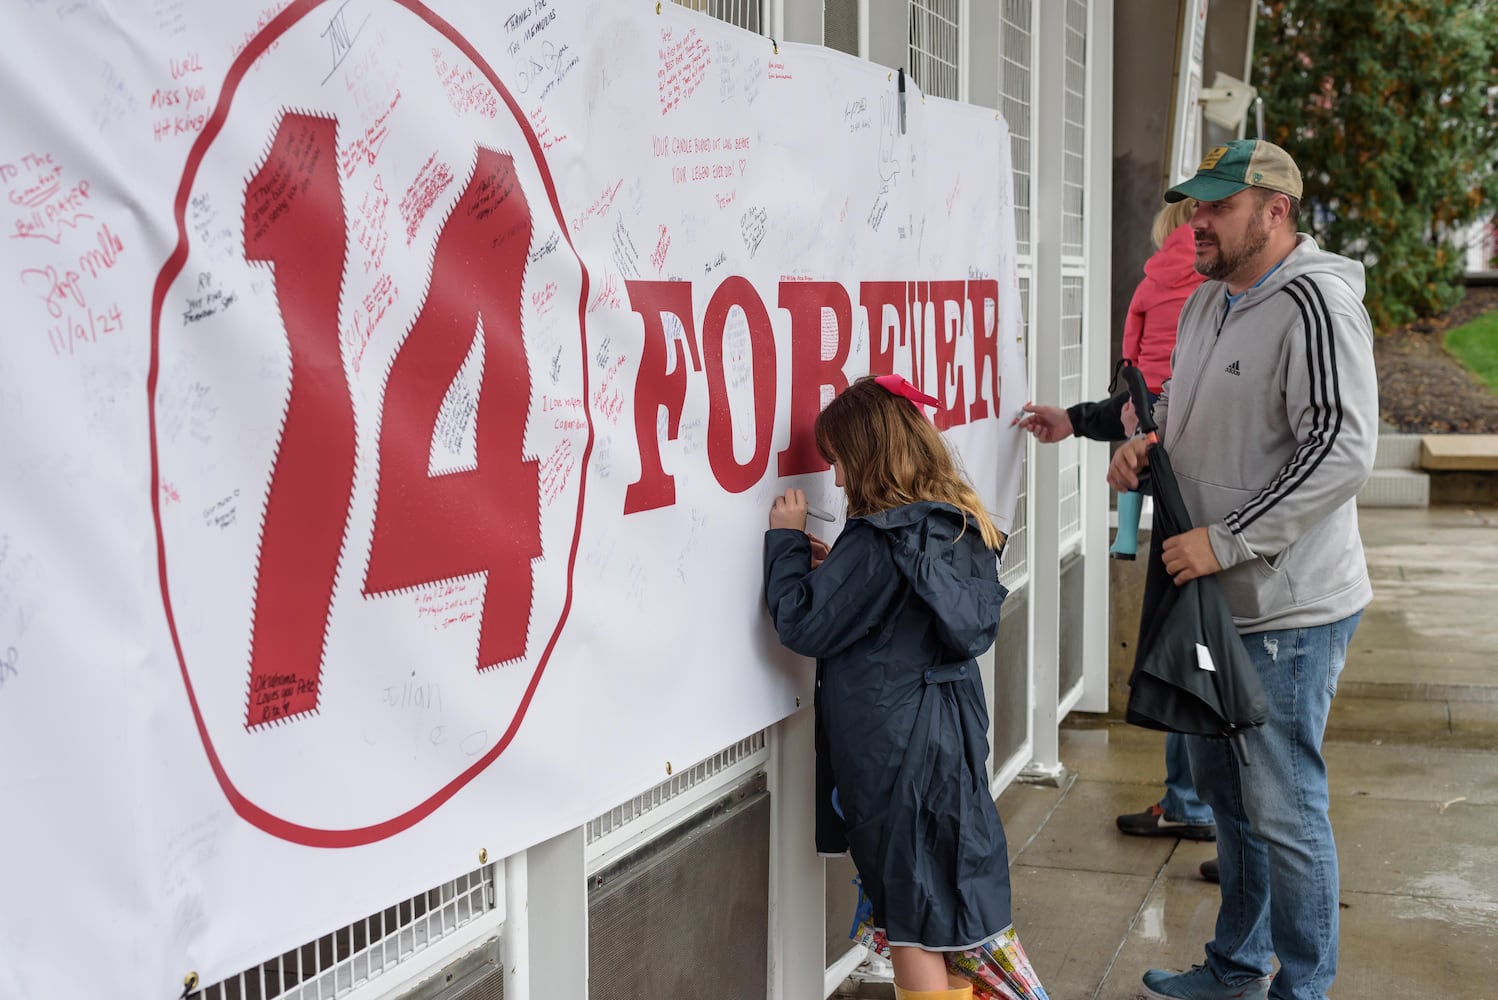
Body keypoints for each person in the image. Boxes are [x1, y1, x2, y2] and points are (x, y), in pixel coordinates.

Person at [1107, 140, 1377, 1000]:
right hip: (1215, 609)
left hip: (1287, 610)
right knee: (1231, 805)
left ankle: (1302, 989)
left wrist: (1224, 539)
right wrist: (1146, 453)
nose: (1198, 219)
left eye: (1220, 204)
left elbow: (1340, 450)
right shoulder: (1206, 303)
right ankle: (1234, 970)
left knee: (1285, 812)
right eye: (1195, 203)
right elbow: (1199, 423)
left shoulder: (1316, 306)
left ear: (1276, 210)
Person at [763, 374, 1046, 1000]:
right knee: (939, 903)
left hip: (892, 747)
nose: (834, 481)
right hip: (949, 738)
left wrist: (784, 543)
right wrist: (836, 566)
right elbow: (909, 607)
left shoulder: (880, 538)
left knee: (911, 921)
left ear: (866, 455)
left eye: (838, 462)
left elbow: (804, 623)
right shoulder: (961, 523)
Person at [1017, 197, 1219, 846]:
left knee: (1194, 661)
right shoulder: (1217, 295)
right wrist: (1079, 420)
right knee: (1196, 661)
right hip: (1200, 514)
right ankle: (1199, 806)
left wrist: (1080, 419)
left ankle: (1199, 805)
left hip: (1196, 522)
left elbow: (1139, 395)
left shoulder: (1166, 287)